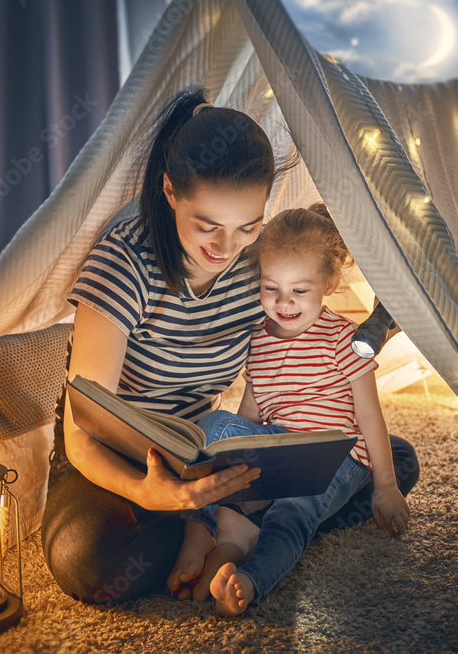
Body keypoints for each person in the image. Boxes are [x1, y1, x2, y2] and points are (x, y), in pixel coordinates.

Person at [41, 87, 420, 605]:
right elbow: (83, 429)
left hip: (205, 450)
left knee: (391, 462)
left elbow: (304, 337)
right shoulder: (124, 266)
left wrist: (376, 324)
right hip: (118, 461)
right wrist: (148, 491)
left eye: (248, 226)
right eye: (207, 226)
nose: (226, 247)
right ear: (171, 191)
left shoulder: (254, 268)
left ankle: (235, 523)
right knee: (93, 563)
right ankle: (246, 526)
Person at [167, 204, 414, 616]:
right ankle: (203, 528)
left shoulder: (344, 340)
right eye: (271, 287)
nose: (284, 303)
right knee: (212, 424)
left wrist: (386, 486)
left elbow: (370, 417)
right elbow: (250, 412)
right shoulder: (259, 339)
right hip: (281, 451)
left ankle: (250, 580)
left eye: (299, 290)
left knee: (291, 513)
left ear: (329, 282)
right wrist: (228, 456)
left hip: (335, 455)